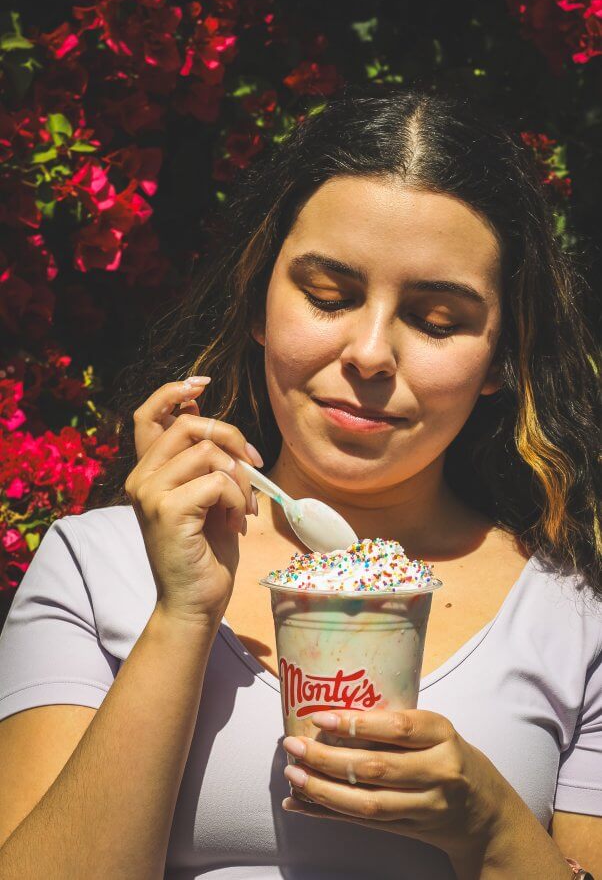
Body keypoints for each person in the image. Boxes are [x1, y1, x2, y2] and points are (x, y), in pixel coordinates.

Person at [0, 85, 599, 880]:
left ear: (503, 359)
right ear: (258, 304)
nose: (371, 354)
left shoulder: (574, 615)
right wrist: (183, 614)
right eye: (329, 297)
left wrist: (492, 828)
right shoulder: (95, 565)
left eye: (436, 319)